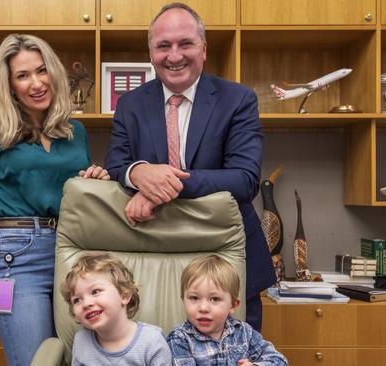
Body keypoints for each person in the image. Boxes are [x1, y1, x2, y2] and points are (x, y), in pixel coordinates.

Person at [104, 2, 275, 331]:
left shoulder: (238, 100)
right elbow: (116, 163)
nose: (174, 55)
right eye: (163, 46)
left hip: (228, 261)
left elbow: (244, 179)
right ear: (151, 52)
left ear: (204, 48)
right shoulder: (130, 104)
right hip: (156, 257)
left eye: (185, 43)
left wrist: (160, 188)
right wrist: (138, 172)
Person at [0, 34, 109, 366]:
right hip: (16, 258)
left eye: (41, 71)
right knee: (35, 361)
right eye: (23, 76)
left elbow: (75, 196)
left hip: (72, 252)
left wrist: (95, 184)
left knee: (79, 358)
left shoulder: (73, 131)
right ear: (9, 85)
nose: (36, 83)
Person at [167, 255, 288, 366]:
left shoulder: (244, 332)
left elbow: (280, 361)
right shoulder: (180, 338)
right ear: (183, 300)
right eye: (194, 298)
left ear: (233, 306)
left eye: (214, 299)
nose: (203, 308)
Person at [60, 253, 173, 366]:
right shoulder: (81, 340)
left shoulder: (152, 341)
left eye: (95, 292)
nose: (86, 303)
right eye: (77, 300)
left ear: (124, 296)